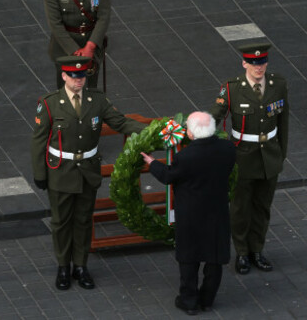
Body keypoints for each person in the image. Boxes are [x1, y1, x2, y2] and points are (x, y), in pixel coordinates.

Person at [31, 56, 146, 291]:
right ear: (64, 76)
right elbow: (39, 141)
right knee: (61, 221)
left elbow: (121, 123)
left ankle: (80, 266)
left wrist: (156, 128)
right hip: (60, 171)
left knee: (83, 220)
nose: (79, 81)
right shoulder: (50, 103)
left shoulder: (97, 100)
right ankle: (63, 266)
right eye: (74, 77)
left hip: (88, 171)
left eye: (82, 76)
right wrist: (39, 173)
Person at [141, 112, 236, 315]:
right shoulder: (228, 149)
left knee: (189, 258)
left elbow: (168, 176)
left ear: (191, 134)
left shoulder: (185, 157)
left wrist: (153, 163)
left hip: (191, 215)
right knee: (215, 258)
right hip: (217, 212)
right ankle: (207, 299)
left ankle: (189, 301)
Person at [209, 43, 289, 275]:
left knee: (262, 207)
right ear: (244, 63)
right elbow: (217, 112)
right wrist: (199, 124)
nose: (259, 68)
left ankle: (257, 250)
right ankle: (242, 252)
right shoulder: (232, 88)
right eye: (254, 63)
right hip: (243, 156)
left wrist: (281, 154)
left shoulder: (278, 85)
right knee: (240, 208)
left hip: (270, 157)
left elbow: (284, 123)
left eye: (262, 62)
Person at [44, 0, 111, 89]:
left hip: (90, 41)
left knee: (91, 89)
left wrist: (90, 47)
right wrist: (75, 51)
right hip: (65, 47)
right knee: (65, 88)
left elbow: (103, 17)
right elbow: (55, 24)